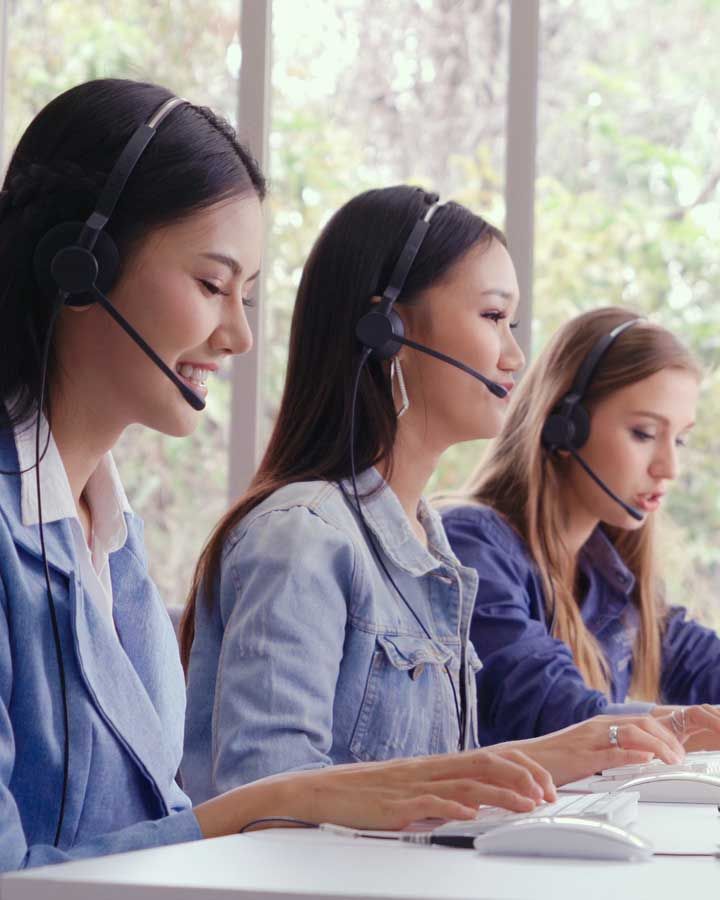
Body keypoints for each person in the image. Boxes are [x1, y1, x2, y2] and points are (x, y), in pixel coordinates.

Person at [0, 79, 561, 873]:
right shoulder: (299, 535)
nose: (237, 336)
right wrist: (278, 802)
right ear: (81, 263)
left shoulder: (115, 542)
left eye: (249, 297)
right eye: (210, 284)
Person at [181, 189, 711, 805]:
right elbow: (260, 803)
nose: (515, 356)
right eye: (493, 317)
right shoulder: (304, 535)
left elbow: (439, 801)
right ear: (388, 330)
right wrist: (565, 750)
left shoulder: (429, 544)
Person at [441, 307, 720, 747]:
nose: (670, 467)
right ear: (565, 426)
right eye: (645, 433)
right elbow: (557, 714)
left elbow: (703, 662)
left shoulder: (607, 575)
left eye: (679, 439)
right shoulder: (473, 545)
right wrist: (690, 726)